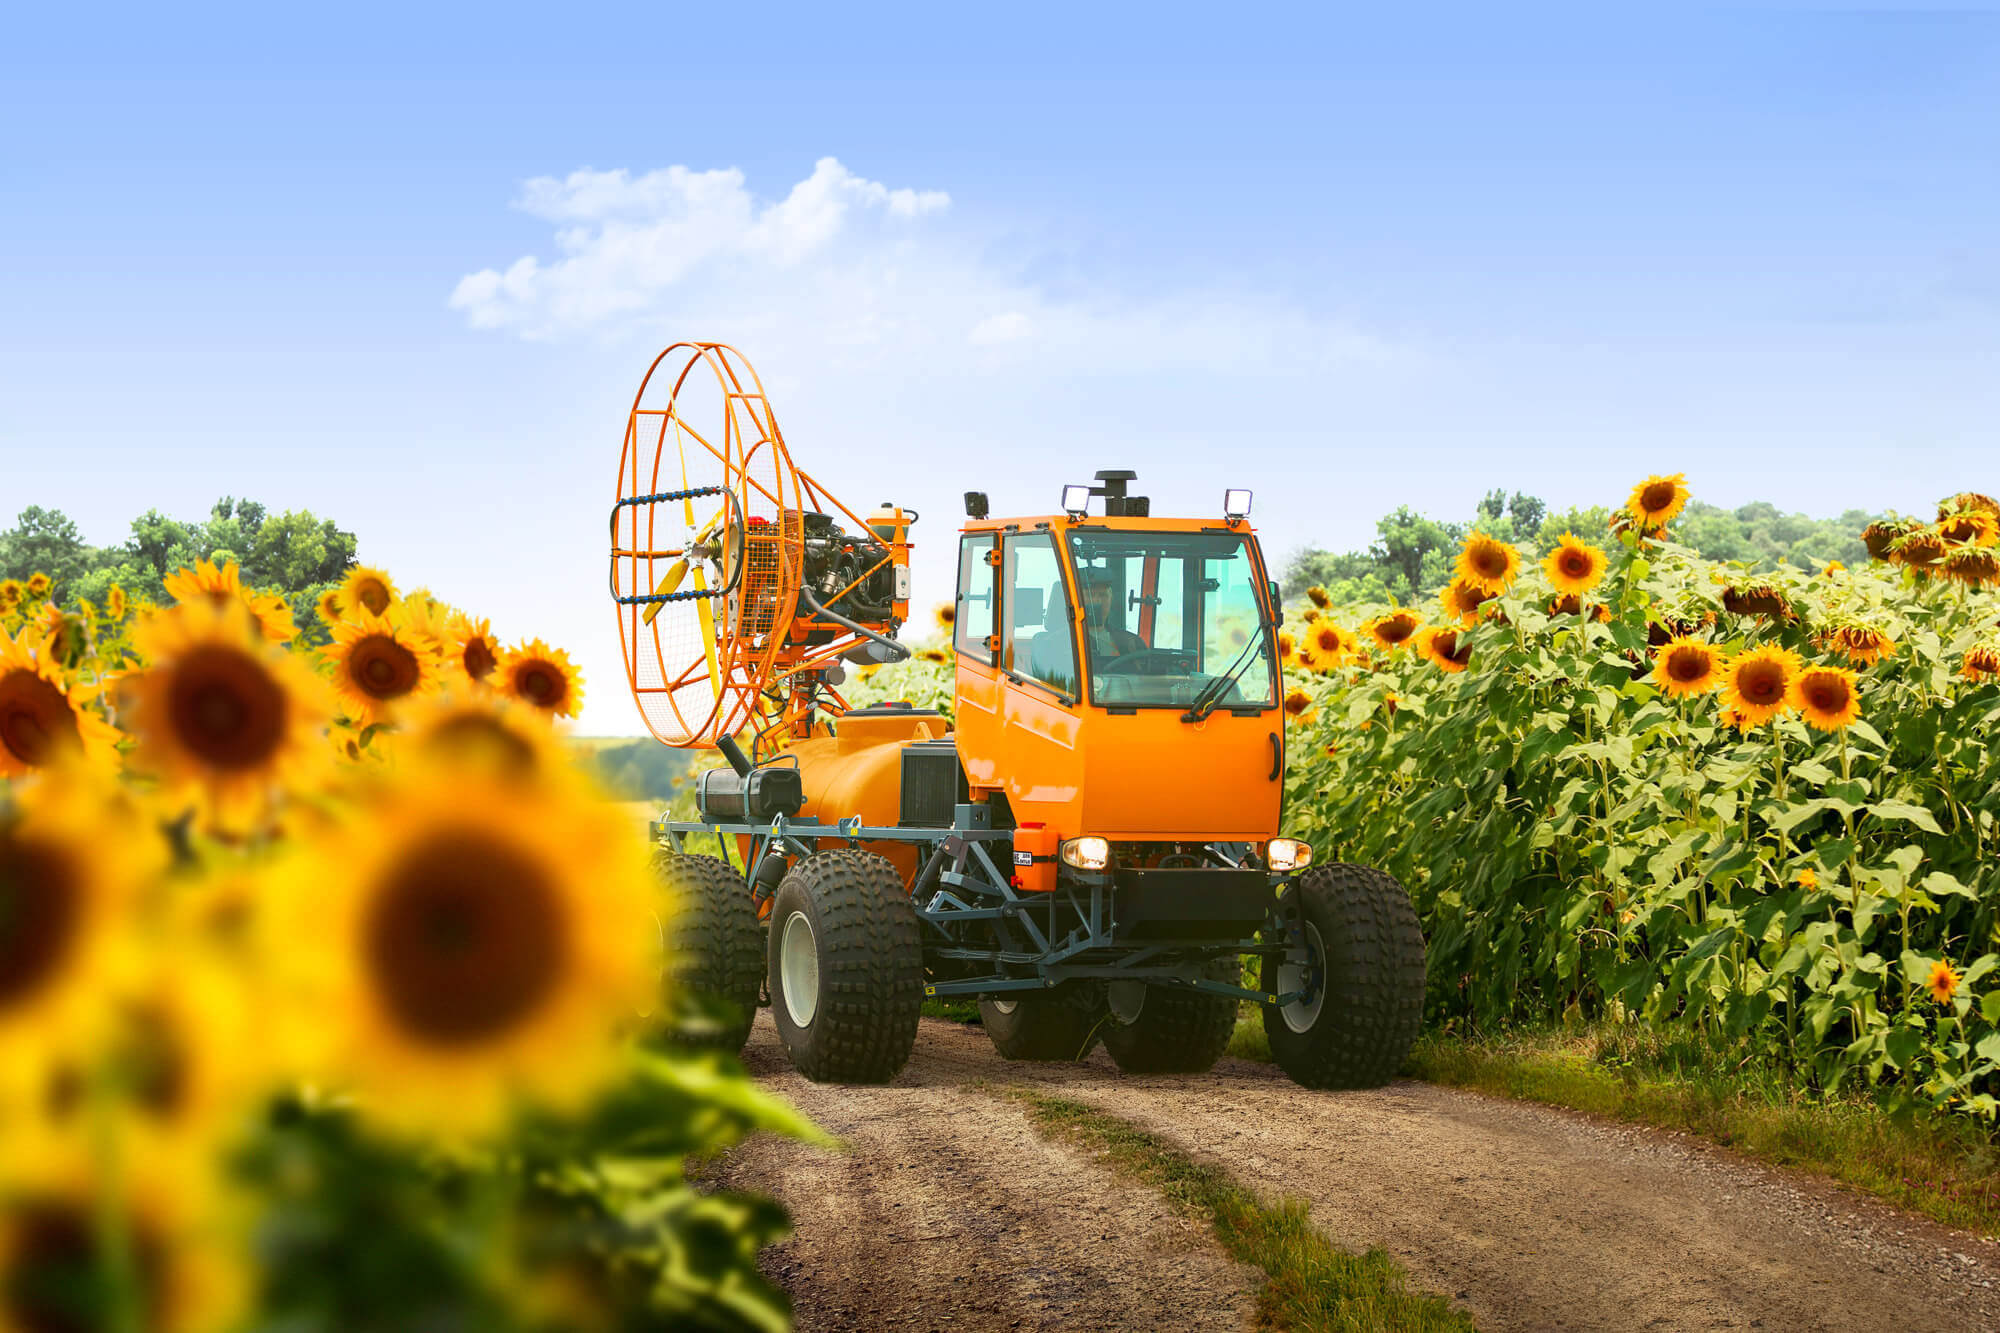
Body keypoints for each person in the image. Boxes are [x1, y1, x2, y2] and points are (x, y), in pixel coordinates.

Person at [1076, 568, 1147, 664]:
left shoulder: (1131, 643)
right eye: (1090, 595)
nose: (1098, 601)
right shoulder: (1064, 642)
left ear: (1111, 599)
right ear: (1077, 600)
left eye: (1103, 595)